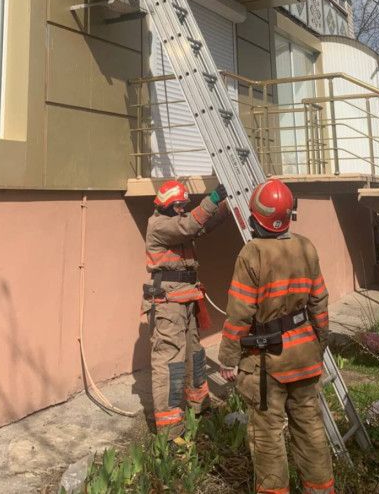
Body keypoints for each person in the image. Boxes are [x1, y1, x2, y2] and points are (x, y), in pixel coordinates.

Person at [218, 180, 335, 494]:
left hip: (266, 363)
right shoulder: (306, 247)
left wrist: (228, 358)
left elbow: (239, 313)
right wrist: (318, 344)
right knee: (310, 428)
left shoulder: (252, 253)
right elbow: (319, 303)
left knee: (268, 436)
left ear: (256, 218)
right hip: (305, 356)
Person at [143, 179, 228, 440]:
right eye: (179, 205)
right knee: (171, 362)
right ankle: (170, 429)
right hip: (168, 304)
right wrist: (212, 199)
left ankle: (199, 407)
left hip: (187, 297)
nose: (183, 209)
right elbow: (189, 225)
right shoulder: (159, 224)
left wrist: (226, 204)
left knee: (195, 355)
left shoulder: (177, 223)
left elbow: (202, 225)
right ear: (168, 205)